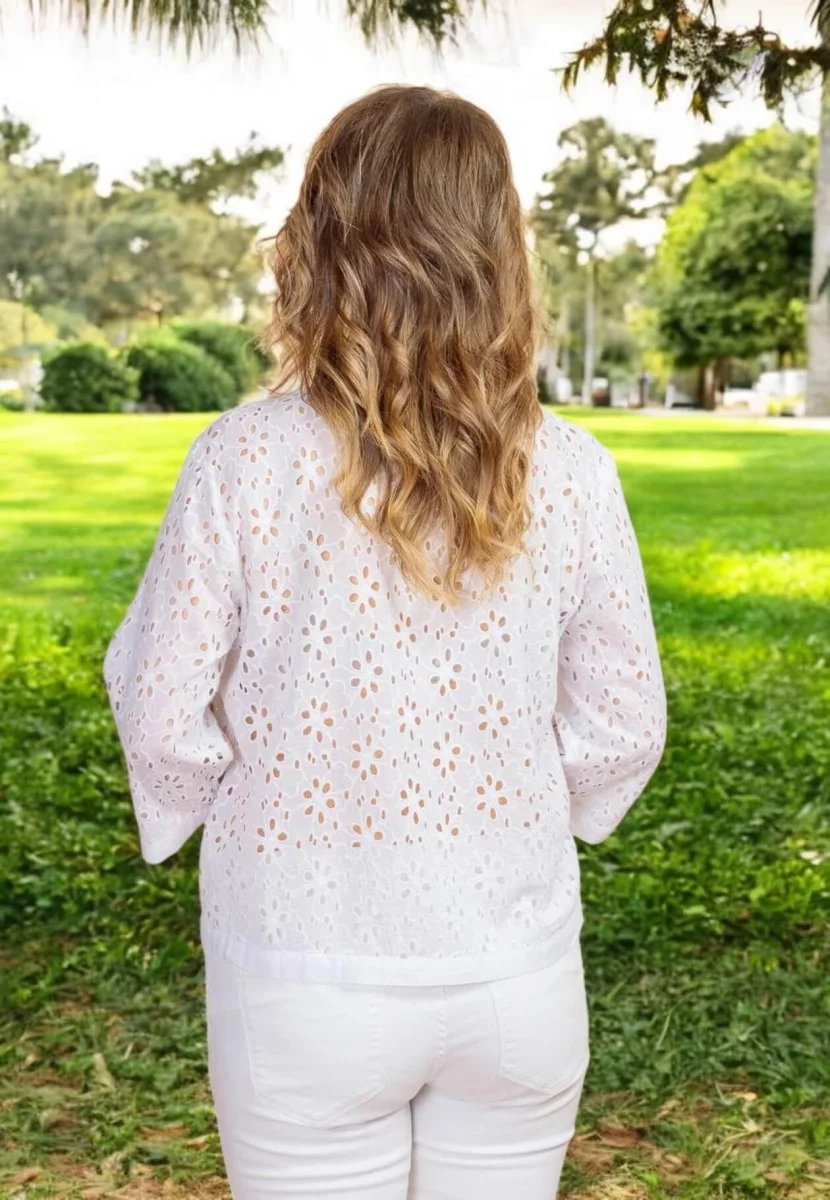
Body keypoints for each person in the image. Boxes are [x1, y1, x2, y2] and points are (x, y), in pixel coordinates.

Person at [103, 85, 667, 1200]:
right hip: (515, 975)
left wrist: (242, 804)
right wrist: (499, 812)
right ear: (499, 246)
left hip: (302, 967)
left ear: (319, 236)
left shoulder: (242, 458)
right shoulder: (571, 468)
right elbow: (622, 725)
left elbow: (159, 707)